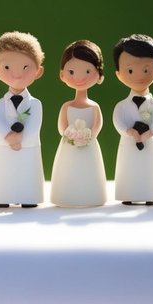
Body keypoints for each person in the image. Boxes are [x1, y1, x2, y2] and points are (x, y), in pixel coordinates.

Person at [0, 31, 45, 208]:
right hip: (3, 146)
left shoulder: (35, 104)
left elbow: (34, 126)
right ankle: (2, 197)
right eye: (7, 68)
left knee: (26, 173)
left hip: (27, 146)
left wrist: (21, 139)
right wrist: (9, 137)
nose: (17, 74)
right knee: (3, 174)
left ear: (38, 71)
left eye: (26, 67)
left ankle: (28, 197)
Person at [49, 39, 106, 208]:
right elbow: (61, 127)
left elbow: (97, 126)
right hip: (69, 144)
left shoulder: (94, 107)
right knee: (68, 169)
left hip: (89, 145)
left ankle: (90, 196)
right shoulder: (66, 106)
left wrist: (88, 136)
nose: (79, 78)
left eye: (88, 71)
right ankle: (66, 196)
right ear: (62, 74)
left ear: (98, 74)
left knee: (88, 171)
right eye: (71, 71)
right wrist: (71, 135)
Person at [111, 34, 153, 206]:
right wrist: (128, 131)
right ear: (119, 74)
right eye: (130, 70)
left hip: (149, 141)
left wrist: (150, 131)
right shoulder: (121, 106)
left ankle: (151, 194)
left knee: (149, 169)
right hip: (128, 142)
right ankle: (128, 193)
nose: (139, 76)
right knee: (129, 169)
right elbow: (117, 121)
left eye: (146, 69)